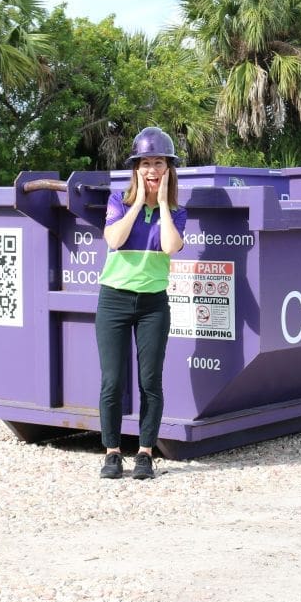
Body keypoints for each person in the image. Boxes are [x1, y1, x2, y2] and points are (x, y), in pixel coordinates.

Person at [95, 127, 186, 479]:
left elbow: (169, 247)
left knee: (150, 380)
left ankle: (145, 453)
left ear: (168, 169)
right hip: (114, 300)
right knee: (112, 381)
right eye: (145, 163)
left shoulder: (176, 212)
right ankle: (113, 452)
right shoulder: (118, 200)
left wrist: (161, 203)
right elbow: (114, 239)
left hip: (153, 305)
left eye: (158, 163)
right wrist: (136, 204)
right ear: (136, 168)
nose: (152, 169)